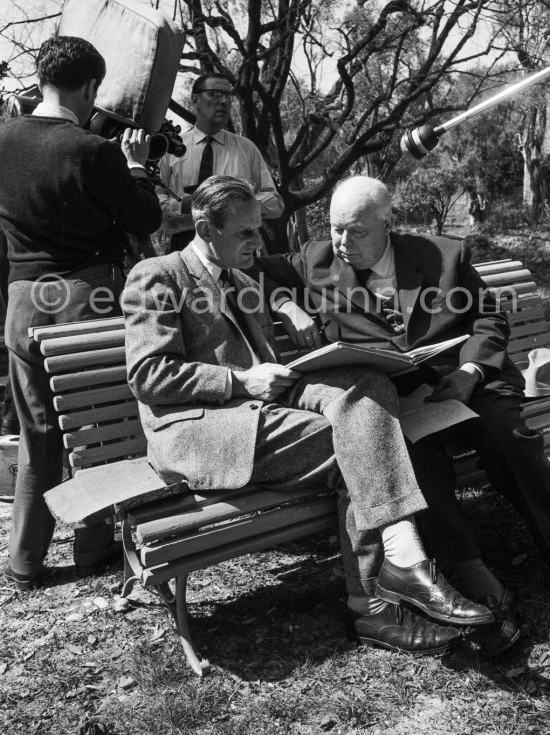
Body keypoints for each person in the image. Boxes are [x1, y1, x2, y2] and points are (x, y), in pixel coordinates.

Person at [122, 174, 493, 657]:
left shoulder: (240, 274)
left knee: (370, 389)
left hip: (260, 410)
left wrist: (283, 307)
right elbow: (148, 374)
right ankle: (382, 593)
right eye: (245, 233)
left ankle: (396, 577)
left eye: (259, 229)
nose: (258, 241)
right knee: (357, 441)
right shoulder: (158, 275)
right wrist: (239, 381)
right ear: (204, 228)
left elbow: (274, 290)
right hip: (201, 428)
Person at [254, 175, 549, 656]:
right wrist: (287, 302)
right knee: (408, 454)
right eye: (334, 229)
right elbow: (246, 273)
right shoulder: (316, 259)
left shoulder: (441, 256)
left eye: (356, 231)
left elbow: (489, 317)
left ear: (387, 224)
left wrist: (471, 371)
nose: (342, 243)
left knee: (508, 436)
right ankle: (470, 571)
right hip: (400, 398)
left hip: (463, 380)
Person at [0, 36, 162, 590]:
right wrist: (136, 167)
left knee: (37, 432)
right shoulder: (93, 152)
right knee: (96, 429)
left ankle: (25, 561)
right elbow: (141, 218)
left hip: (22, 301)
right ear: (92, 86)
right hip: (82, 296)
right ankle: (93, 546)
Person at [153, 73, 284, 253]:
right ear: (195, 100)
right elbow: (152, 204)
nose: (224, 101)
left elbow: (275, 203)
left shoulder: (246, 149)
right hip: (181, 249)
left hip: (236, 247)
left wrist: (235, 205)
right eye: (214, 94)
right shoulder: (169, 148)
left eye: (228, 96)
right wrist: (183, 206)